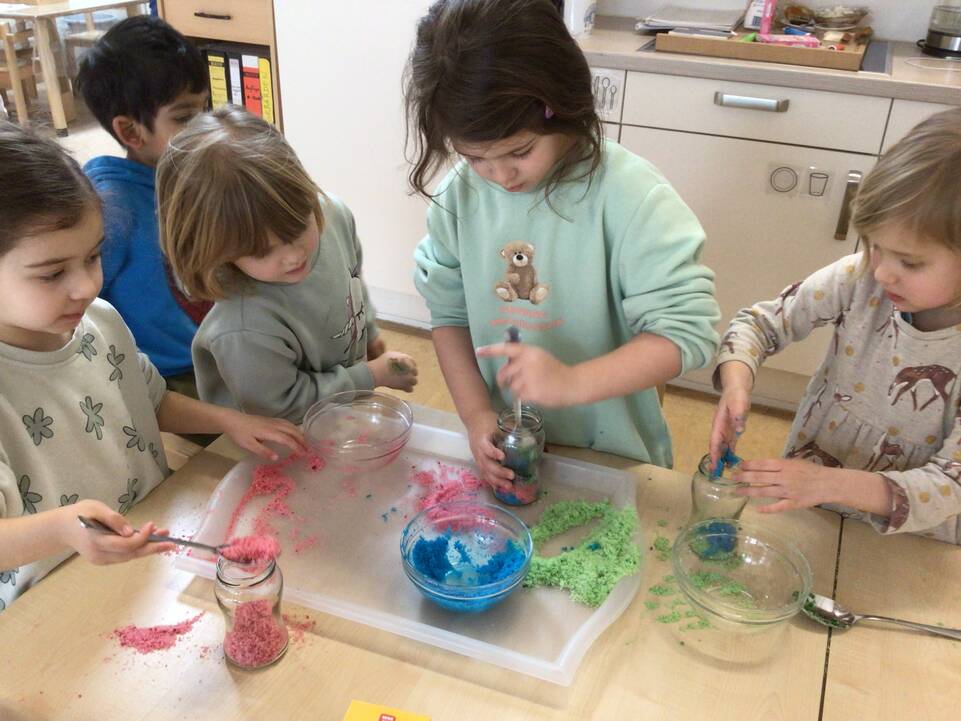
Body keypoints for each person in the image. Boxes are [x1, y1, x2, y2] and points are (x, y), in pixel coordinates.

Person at [406, 0, 720, 492]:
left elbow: (687, 336)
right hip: (513, 441)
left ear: (564, 110)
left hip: (614, 457)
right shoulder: (458, 198)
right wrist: (475, 415)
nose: (500, 175)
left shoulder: (631, 197)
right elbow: (448, 317)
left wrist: (572, 382)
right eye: (474, 157)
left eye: (519, 151)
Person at [0, 122, 307, 611]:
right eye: (53, 273)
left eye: (94, 256)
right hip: (52, 596)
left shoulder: (97, 321)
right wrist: (65, 528)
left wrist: (231, 421)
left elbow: (149, 398)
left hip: (149, 543)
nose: (86, 285)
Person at [710, 107, 961, 544]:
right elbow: (760, 324)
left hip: (913, 542)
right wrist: (737, 383)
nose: (883, 273)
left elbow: (950, 485)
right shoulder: (860, 277)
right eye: (876, 246)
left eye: (911, 262)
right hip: (814, 509)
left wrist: (827, 482)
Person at [156, 107, 418, 423]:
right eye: (262, 252)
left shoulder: (331, 215)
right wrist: (371, 376)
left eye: (298, 229)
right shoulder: (242, 326)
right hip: (276, 440)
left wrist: (369, 331)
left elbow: (352, 278)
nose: (293, 256)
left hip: (339, 410)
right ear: (218, 251)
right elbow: (281, 408)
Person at [76, 16, 211, 396]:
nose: (204, 128)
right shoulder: (111, 208)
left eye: (205, 109)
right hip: (166, 378)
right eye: (185, 117)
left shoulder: (187, 173)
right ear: (131, 132)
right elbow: (82, 307)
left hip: (215, 350)